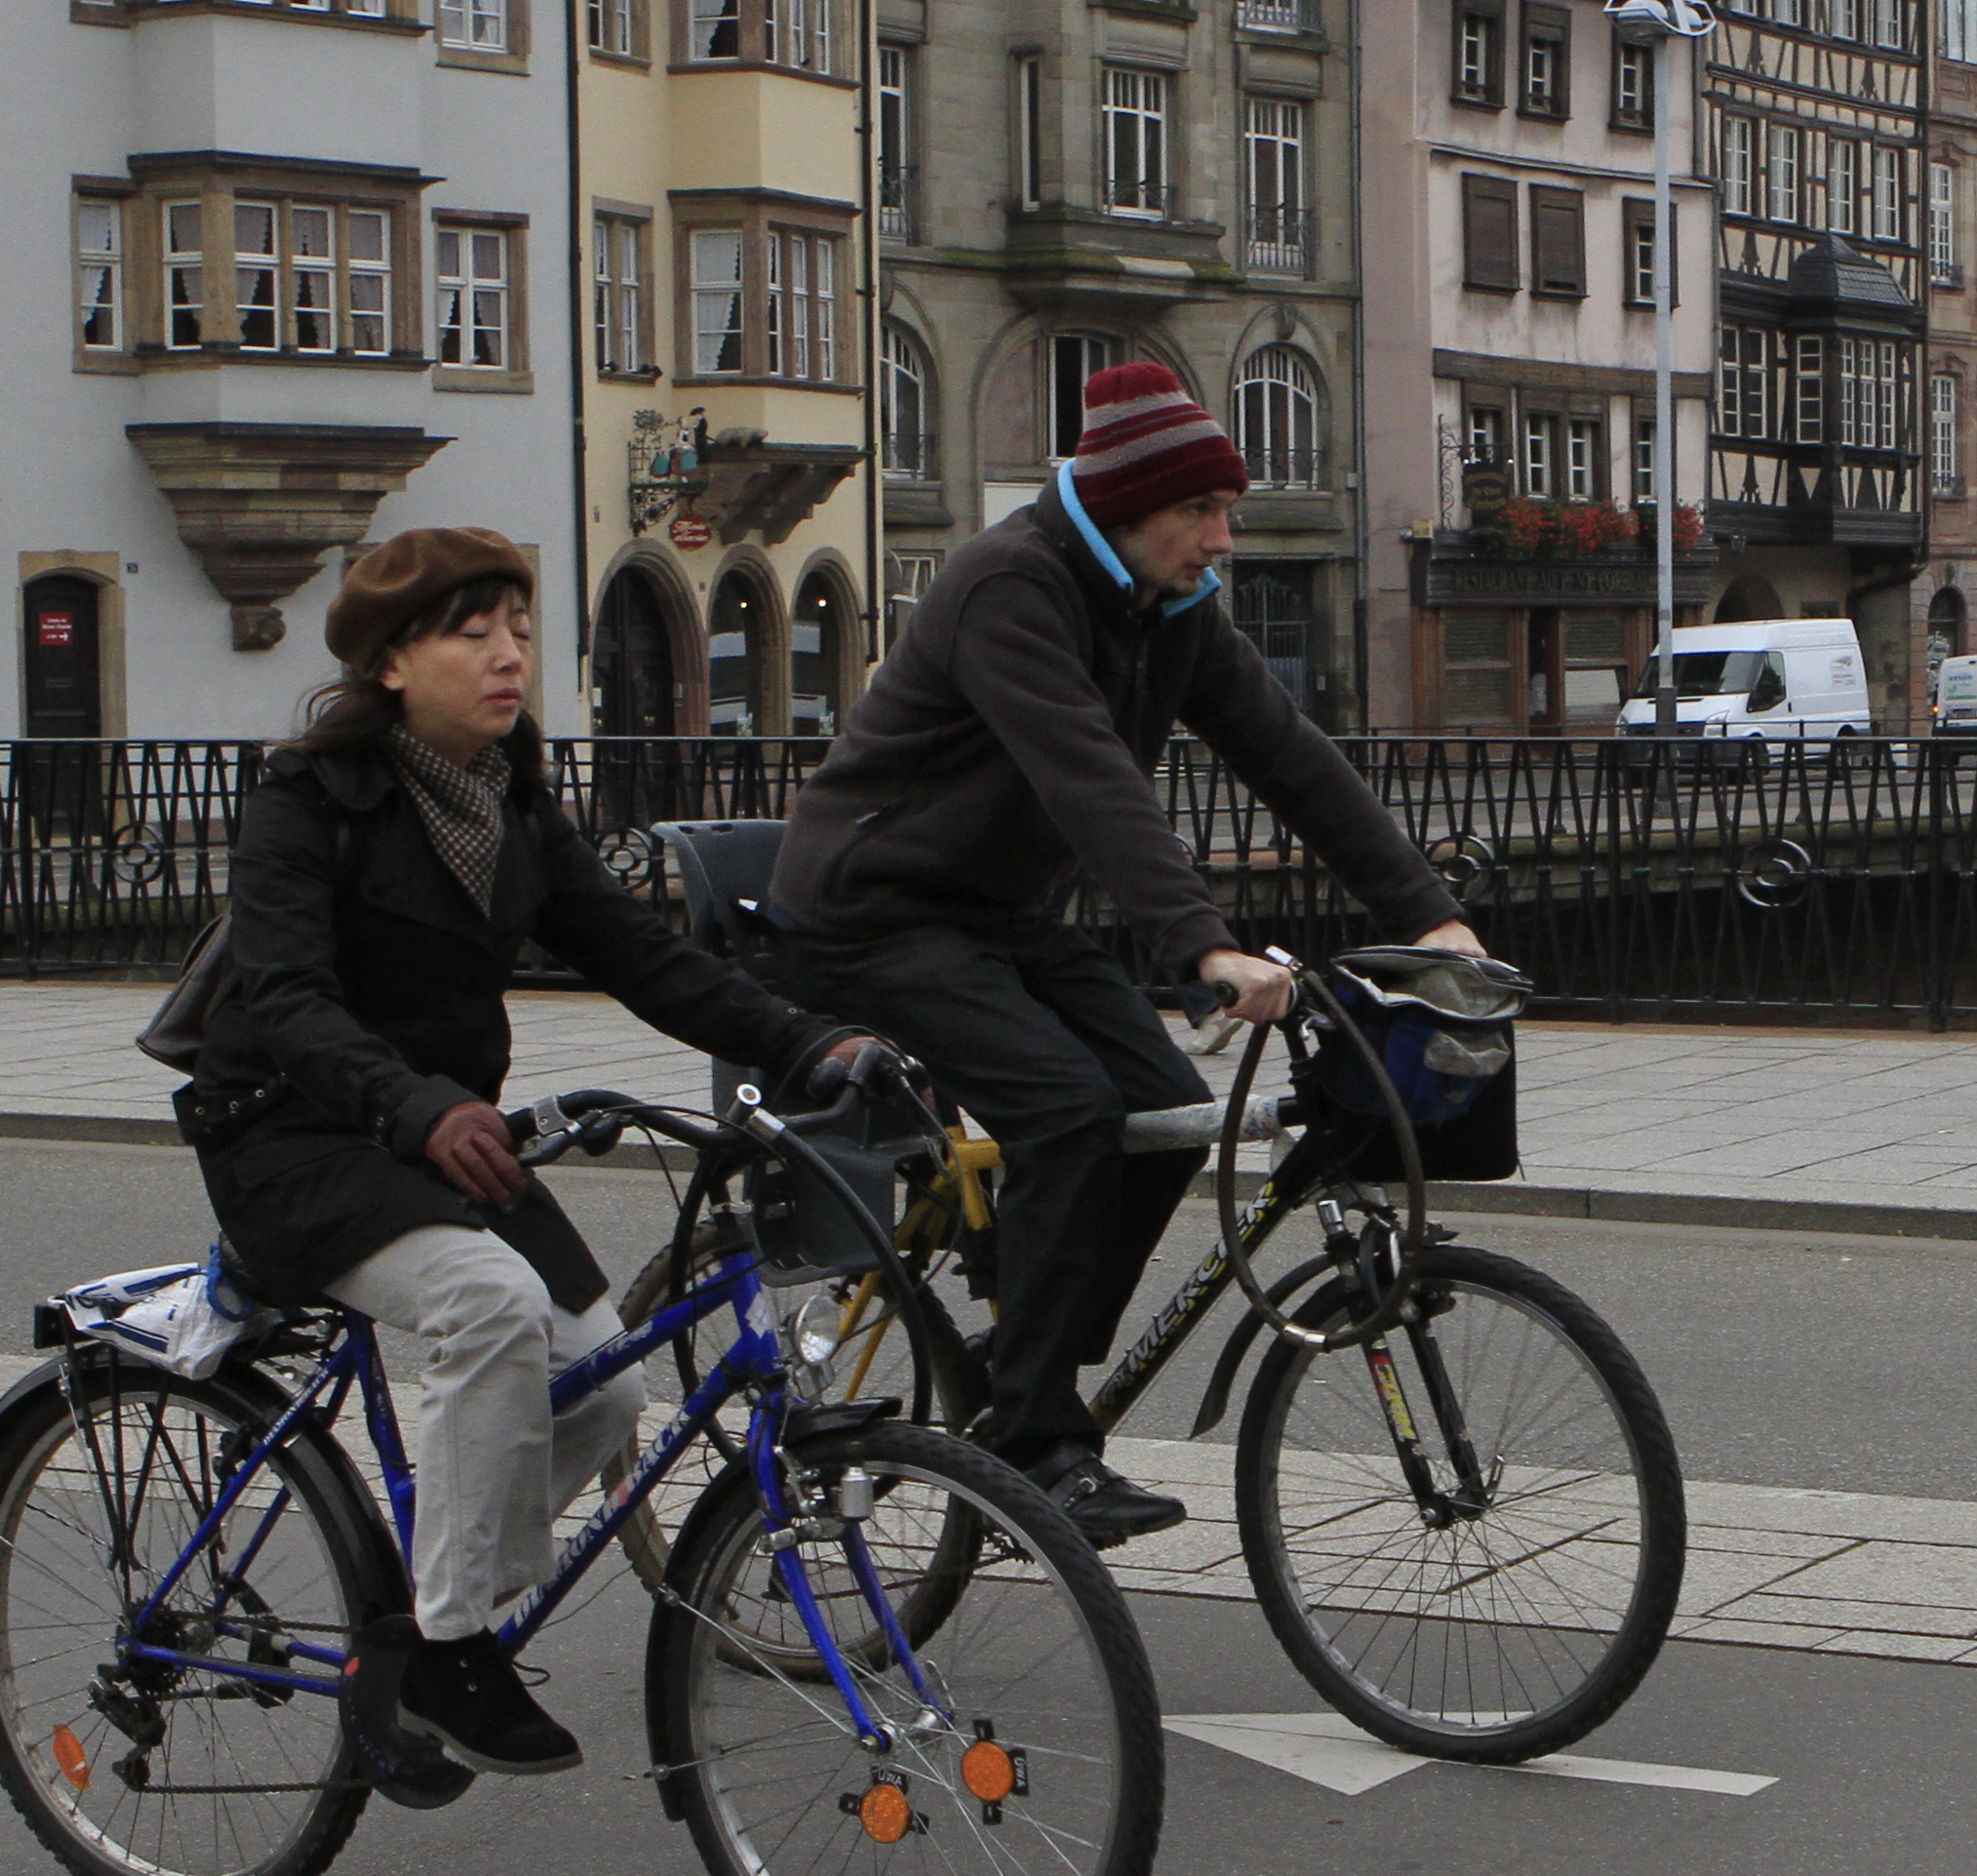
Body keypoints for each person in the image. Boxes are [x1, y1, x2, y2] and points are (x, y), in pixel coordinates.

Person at [180, 527, 890, 1785]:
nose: (509, 656)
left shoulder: (507, 797)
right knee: (491, 1310)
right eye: (472, 633)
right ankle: (455, 1647)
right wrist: (418, 1110)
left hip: (444, 1142)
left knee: (604, 1389)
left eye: (517, 628)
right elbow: (286, 995)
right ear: (391, 664)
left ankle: (406, 1639)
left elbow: (643, 957)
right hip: (294, 1134)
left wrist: (812, 1044)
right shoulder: (307, 797)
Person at [771, 367, 1482, 1543]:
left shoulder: (1168, 607)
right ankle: (1033, 1443)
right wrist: (1201, 945)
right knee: (1062, 1111)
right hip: (870, 912)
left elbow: (1287, 755)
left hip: (996, 916)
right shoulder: (1012, 583)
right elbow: (1089, 781)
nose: (1221, 538)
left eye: (1226, 510)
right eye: (1200, 511)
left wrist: (1426, 910)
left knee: (1163, 1116)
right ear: (1126, 506)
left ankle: (1019, 1349)